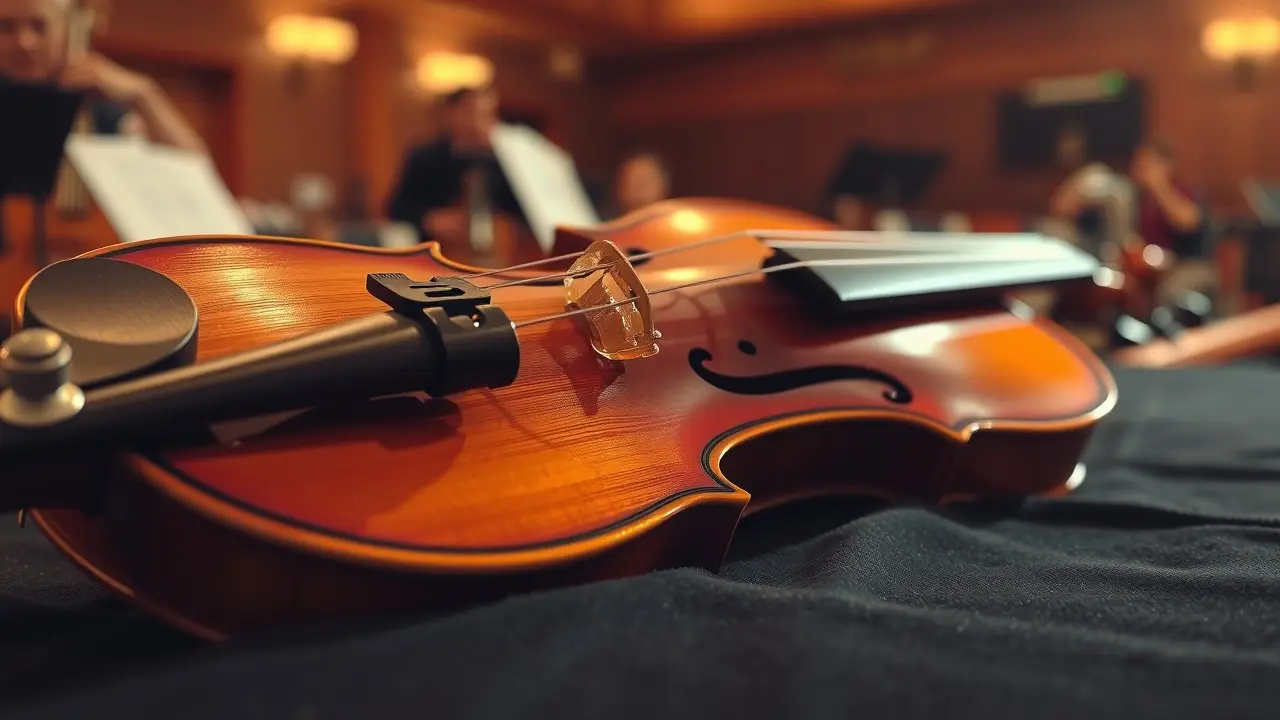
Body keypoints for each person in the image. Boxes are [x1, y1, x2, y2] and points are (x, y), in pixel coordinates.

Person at [0, 0, 207, 154]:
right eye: (6, 27)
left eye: (39, 26)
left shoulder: (93, 105)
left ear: (65, 29)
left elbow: (195, 170)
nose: (24, 42)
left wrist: (145, 94)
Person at [385, 84, 524, 244]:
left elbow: (526, 212)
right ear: (452, 114)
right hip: (436, 252)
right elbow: (396, 208)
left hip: (499, 253)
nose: (480, 122)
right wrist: (430, 220)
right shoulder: (426, 157)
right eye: (473, 113)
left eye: (488, 115)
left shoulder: (506, 161)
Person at [1051, 139, 1202, 253]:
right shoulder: (1124, 195)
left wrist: (1158, 186)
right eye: (1138, 164)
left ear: (1167, 167)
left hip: (1170, 266)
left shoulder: (1183, 192)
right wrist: (1081, 182)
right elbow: (1061, 208)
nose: (1140, 170)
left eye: (1147, 165)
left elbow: (1188, 222)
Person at [611, 151, 669, 217]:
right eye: (631, 183)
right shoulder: (608, 225)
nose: (638, 190)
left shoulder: (676, 222)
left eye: (644, 182)